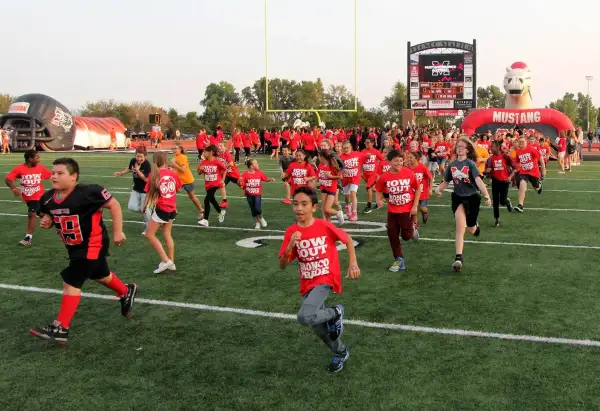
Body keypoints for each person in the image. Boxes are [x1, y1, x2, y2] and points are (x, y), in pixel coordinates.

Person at [30, 158, 138, 344]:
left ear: (74, 177)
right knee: (100, 274)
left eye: (60, 173)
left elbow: (113, 205)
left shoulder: (88, 192)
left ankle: (61, 328)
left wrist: (118, 231)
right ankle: (126, 290)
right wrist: (47, 219)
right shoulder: (47, 197)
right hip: (74, 247)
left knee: (71, 280)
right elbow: (45, 212)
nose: (54, 176)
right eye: (53, 173)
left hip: (92, 243)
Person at [279, 186, 360, 372]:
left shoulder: (324, 225)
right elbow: (282, 264)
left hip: (325, 277)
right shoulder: (291, 231)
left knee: (304, 317)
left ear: (314, 207)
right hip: (307, 283)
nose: (299, 208)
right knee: (319, 328)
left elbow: (347, 239)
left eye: (304, 204)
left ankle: (336, 312)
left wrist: (353, 263)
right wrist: (290, 246)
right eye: (295, 204)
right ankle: (341, 352)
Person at [435, 138, 491, 272]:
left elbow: (478, 180)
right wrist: (439, 188)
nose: (459, 148)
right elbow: (446, 181)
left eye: (462, 146)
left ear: (467, 150)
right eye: (458, 146)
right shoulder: (451, 165)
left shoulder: (470, 163)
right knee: (460, 227)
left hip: (472, 197)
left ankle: (475, 226)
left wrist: (486, 195)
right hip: (458, 198)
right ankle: (458, 257)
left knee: (471, 229)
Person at [376, 150, 421, 272]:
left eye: (401, 161)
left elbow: (417, 189)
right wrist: (379, 200)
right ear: (389, 162)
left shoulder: (409, 173)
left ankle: (412, 229)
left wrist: (415, 206)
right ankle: (399, 259)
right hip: (392, 211)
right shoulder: (384, 176)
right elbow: (379, 189)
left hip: (406, 210)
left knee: (406, 236)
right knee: (392, 235)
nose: (399, 163)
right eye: (396, 161)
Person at [144, 152, 182, 273]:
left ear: (154, 162)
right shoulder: (173, 173)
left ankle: (166, 261)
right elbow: (178, 189)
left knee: (149, 234)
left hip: (162, 208)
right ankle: (171, 262)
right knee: (167, 233)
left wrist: (144, 206)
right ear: (166, 161)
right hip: (172, 208)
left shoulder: (154, 175)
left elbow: (148, 193)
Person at [5, 150, 52, 246]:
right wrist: (14, 188)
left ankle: (28, 238)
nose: (39, 160)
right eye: (37, 158)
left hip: (38, 196)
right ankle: (58, 222)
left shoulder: (40, 168)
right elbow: (8, 179)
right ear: (30, 159)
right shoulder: (19, 169)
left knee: (32, 213)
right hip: (27, 197)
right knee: (42, 214)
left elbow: (51, 175)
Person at [113, 146, 151, 234]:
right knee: (132, 206)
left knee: (145, 210)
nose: (139, 158)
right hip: (136, 188)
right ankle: (150, 214)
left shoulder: (147, 164)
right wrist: (121, 173)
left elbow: (146, 179)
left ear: (145, 156)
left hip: (145, 190)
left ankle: (149, 228)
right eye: (137, 156)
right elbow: (130, 169)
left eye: (141, 157)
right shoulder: (133, 161)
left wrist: (137, 170)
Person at [508, 135, 545, 212]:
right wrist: (515, 167)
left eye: (523, 142)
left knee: (536, 187)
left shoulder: (531, 149)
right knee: (522, 184)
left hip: (534, 172)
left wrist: (543, 169)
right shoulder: (518, 152)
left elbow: (540, 157)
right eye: (520, 142)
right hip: (524, 172)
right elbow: (517, 162)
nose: (521, 143)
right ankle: (520, 205)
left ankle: (538, 185)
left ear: (526, 142)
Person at [170, 143, 204, 219]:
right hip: (178, 180)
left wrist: (174, 164)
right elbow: (175, 167)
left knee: (192, 197)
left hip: (187, 180)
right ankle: (174, 211)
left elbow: (182, 170)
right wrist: (171, 166)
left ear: (180, 149)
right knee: (171, 194)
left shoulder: (183, 157)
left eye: (175, 148)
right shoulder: (175, 156)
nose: (174, 150)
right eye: (173, 148)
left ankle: (201, 210)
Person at [239, 158, 275, 229]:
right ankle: (257, 222)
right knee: (253, 210)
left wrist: (270, 179)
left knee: (257, 208)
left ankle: (261, 217)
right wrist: (240, 182)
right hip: (249, 194)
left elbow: (265, 178)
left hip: (257, 194)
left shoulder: (259, 172)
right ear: (251, 166)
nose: (258, 164)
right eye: (256, 163)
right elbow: (242, 184)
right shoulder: (245, 174)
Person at [485, 140, 514, 227]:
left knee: (502, 201)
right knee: (495, 201)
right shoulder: (490, 159)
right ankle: (497, 219)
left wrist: (510, 177)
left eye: (492, 147)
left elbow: (515, 168)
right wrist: (487, 171)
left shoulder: (505, 156)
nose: (491, 148)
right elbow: (487, 170)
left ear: (498, 147)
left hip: (505, 181)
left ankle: (507, 202)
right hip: (495, 181)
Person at [197, 145, 227, 227]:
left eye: (205, 152)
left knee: (206, 200)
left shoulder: (217, 161)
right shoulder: (204, 162)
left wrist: (223, 180)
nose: (203, 153)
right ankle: (221, 212)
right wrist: (201, 170)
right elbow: (199, 172)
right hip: (208, 185)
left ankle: (205, 220)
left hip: (216, 183)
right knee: (212, 199)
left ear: (211, 152)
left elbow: (225, 169)